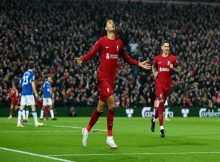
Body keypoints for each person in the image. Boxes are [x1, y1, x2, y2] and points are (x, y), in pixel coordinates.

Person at [76, 19, 151, 149]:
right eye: (109, 23)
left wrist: (139, 64)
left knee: (100, 108)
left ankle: (86, 130)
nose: (112, 23)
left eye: (113, 22)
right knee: (112, 103)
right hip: (102, 77)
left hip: (111, 80)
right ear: (106, 28)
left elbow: (126, 58)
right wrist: (83, 59)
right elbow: (91, 53)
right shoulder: (101, 41)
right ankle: (109, 137)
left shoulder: (119, 43)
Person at [151, 40, 180, 137]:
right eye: (165, 46)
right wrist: (154, 73)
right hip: (159, 84)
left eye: (168, 46)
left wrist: (173, 68)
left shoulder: (172, 58)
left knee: (161, 106)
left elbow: (179, 70)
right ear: (162, 47)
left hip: (168, 86)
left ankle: (154, 118)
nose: (167, 48)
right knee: (161, 102)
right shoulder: (157, 58)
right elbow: (153, 66)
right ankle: (161, 129)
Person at [17, 62, 43, 127]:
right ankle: (36, 123)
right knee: (33, 107)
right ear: (33, 68)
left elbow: (20, 82)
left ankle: (18, 123)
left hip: (23, 93)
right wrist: (36, 93)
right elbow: (32, 84)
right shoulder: (32, 74)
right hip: (29, 93)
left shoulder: (25, 73)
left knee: (21, 107)